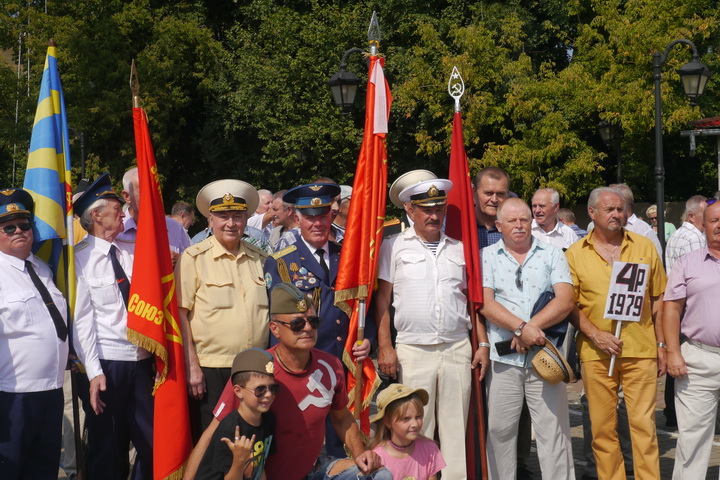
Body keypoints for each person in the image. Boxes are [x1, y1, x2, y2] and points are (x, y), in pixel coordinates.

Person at [183, 283, 391, 480]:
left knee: (380, 475)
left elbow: (341, 417)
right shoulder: (257, 372)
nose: (307, 328)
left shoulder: (331, 366)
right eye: (297, 324)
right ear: (274, 329)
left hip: (314, 469)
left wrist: (359, 453)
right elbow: (211, 434)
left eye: (313, 321)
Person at [375, 177, 487, 480]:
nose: (434, 216)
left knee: (454, 429)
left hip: (456, 347)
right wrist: (386, 346)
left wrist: (483, 344)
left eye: (439, 208)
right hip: (413, 349)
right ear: (411, 211)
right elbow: (382, 301)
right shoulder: (393, 246)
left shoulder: (460, 249)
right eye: (426, 209)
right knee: (414, 428)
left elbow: (471, 303)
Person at [264, 182, 373, 456]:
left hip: (345, 365)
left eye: (323, 216)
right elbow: (277, 321)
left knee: (343, 442)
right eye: (310, 217)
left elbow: (362, 306)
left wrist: (367, 338)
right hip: (305, 367)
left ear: (331, 216)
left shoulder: (347, 258)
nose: (318, 223)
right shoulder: (281, 263)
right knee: (303, 443)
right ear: (297, 218)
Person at [566, 187, 666, 480]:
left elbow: (659, 296)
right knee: (602, 427)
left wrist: (661, 344)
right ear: (592, 213)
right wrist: (596, 335)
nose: (616, 214)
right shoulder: (574, 253)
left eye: (620, 209)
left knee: (643, 427)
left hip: (640, 347)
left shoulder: (645, 247)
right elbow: (569, 303)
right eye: (609, 209)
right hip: (596, 352)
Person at [481, 198, 576, 479]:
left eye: (524, 219)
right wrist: (522, 328)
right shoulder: (485, 256)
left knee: (554, 432)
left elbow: (566, 299)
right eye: (512, 221)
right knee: (499, 432)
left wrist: (529, 330)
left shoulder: (552, 254)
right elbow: (485, 303)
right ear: (499, 225)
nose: (519, 225)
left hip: (545, 357)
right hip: (503, 360)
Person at [73, 173, 154, 479]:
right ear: (96, 215)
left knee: (151, 444)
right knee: (107, 448)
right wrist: (93, 373)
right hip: (108, 364)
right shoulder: (79, 261)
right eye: (116, 209)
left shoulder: (132, 251)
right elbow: (82, 322)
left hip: (144, 362)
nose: (123, 213)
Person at [176, 179, 270, 439]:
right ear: (211, 219)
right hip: (212, 370)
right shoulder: (193, 258)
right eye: (223, 216)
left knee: (253, 441)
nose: (231, 223)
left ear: (246, 219)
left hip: (256, 367)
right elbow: (181, 314)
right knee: (213, 443)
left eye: (237, 216)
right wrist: (191, 365)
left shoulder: (261, 259)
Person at [0, 188, 69, 480]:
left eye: (25, 225)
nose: (19, 231)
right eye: (8, 227)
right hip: (12, 396)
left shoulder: (42, 268)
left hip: (51, 391)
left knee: (43, 468)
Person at [663, 196, 720, 479]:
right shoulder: (687, 263)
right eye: (714, 220)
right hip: (699, 358)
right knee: (692, 439)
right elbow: (671, 310)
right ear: (703, 225)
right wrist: (672, 352)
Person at [195, 348, 277, 480]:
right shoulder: (229, 429)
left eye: (273, 388)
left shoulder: (269, 420)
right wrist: (239, 461)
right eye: (260, 389)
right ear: (238, 391)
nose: (268, 395)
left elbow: (260, 468)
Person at [369, 384, 446, 480]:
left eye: (418, 417)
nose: (414, 424)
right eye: (406, 418)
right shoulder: (377, 458)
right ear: (388, 422)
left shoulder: (430, 449)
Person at [118, 167, 191, 265]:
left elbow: (194, 264)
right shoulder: (115, 232)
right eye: (144, 192)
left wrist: (180, 260)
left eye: (155, 191)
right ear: (127, 196)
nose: (152, 197)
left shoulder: (175, 228)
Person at [665, 195, 707, 272]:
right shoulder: (695, 238)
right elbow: (699, 274)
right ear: (691, 217)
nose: (709, 218)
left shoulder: (675, 235)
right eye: (705, 215)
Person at [474, 166, 510, 248]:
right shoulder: (458, 227)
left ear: (507, 195)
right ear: (474, 193)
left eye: (500, 194)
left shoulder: (514, 229)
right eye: (489, 193)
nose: (494, 199)